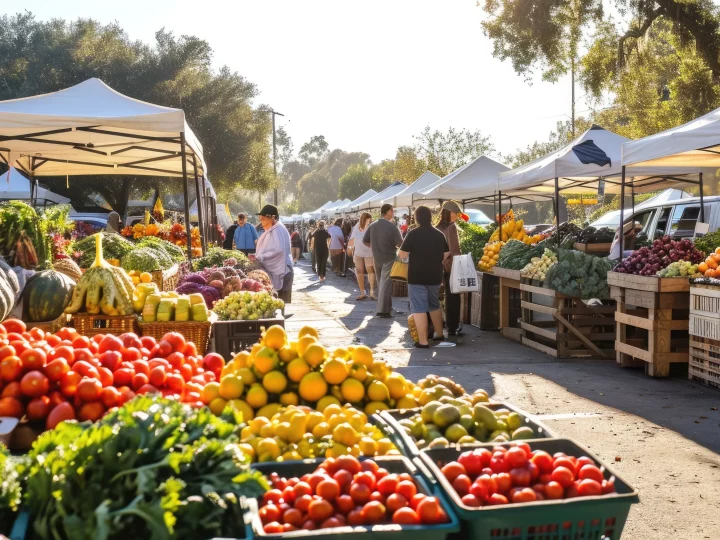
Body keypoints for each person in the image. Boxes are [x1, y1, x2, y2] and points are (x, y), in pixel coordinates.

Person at [398, 205, 449, 348]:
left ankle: (423, 341)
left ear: (416, 218)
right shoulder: (439, 234)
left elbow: (403, 254)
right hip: (435, 275)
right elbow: (446, 254)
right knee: (434, 304)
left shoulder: (413, 234)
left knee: (419, 308)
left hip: (417, 276)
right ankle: (439, 334)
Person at [363, 203, 403, 318]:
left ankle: (387, 308)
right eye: (393, 211)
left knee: (382, 283)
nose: (393, 213)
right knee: (385, 284)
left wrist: (374, 246)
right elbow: (400, 243)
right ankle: (382, 310)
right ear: (389, 212)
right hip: (389, 257)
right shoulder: (392, 227)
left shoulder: (373, 225)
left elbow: (365, 241)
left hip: (377, 257)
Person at [436, 201, 466, 337]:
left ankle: (443, 325)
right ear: (450, 213)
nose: (457, 216)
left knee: (442, 296)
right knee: (453, 297)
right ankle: (452, 327)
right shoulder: (452, 227)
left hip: (438, 266)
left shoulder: (437, 227)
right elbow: (455, 249)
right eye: (455, 214)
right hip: (451, 266)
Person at [253, 205, 293, 302]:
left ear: (272, 217)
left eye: (262, 218)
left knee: (282, 303)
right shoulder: (273, 229)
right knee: (277, 304)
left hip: (283, 271)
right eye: (260, 218)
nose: (261, 221)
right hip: (280, 271)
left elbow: (278, 251)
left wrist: (260, 257)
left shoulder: (278, 230)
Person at [348, 212, 376, 300]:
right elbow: (352, 240)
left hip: (362, 251)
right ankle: (369, 292)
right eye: (369, 219)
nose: (370, 221)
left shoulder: (357, 227)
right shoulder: (369, 226)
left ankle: (364, 292)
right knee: (368, 271)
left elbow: (351, 240)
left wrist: (350, 248)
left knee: (362, 271)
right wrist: (350, 248)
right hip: (366, 251)